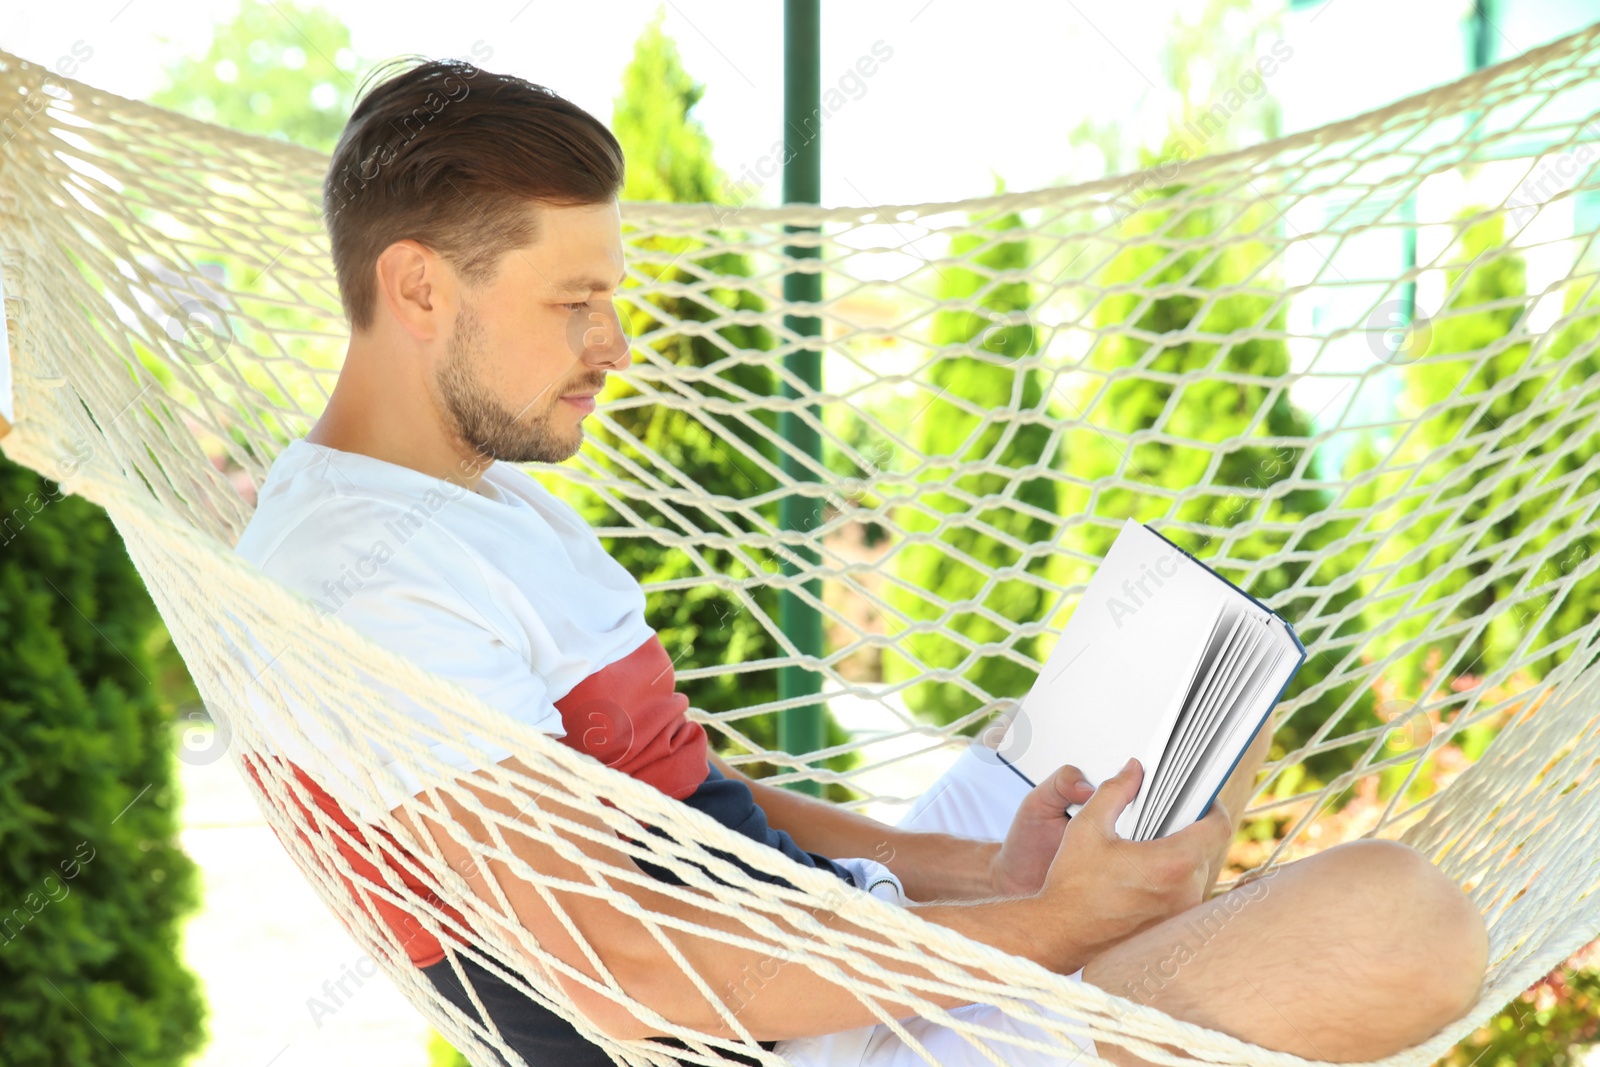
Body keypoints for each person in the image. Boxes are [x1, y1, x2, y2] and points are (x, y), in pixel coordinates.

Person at [232, 56, 1490, 1067]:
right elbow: (619, 969)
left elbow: (678, 805)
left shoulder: (471, 494)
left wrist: (982, 872)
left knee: (1186, 741)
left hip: (821, 923)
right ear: (418, 289)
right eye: (574, 301)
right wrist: (1052, 924)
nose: (613, 345)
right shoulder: (365, 575)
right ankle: (1124, 975)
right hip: (787, 1026)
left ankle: (1128, 969)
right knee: (1397, 923)